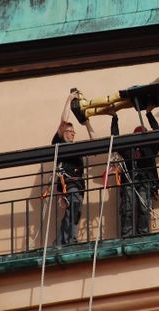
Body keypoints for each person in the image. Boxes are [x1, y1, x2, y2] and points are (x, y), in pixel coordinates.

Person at [110, 107, 159, 237]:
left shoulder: (150, 148)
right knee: (128, 209)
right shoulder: (128, 149)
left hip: (145, 180)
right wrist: (114, 118)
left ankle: (142, 234)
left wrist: (149, 114)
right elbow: (114, 139)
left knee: (144, 208)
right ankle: (127, 235)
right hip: (130, 180)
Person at [52, 90, 94, 245]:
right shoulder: (60, 144)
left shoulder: (77, 148)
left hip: (78, 184)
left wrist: (86, 122)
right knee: (74, 208)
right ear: (63, 134)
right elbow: (63, 121)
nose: (71, 134)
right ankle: (69, 240)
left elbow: (94, 140)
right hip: (69, 184)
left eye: (72, 132)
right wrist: (69, 99)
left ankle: (61, 241)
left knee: (73, 211)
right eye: (68, 132)